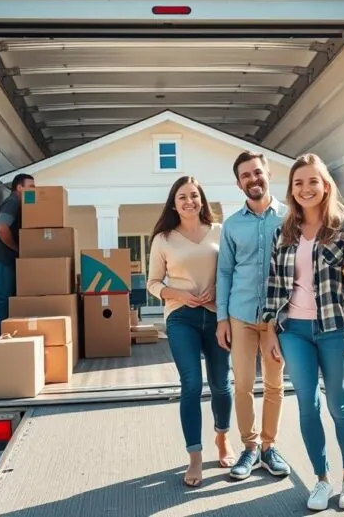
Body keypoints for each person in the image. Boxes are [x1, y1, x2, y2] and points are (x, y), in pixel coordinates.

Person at [261, 153, 344, 512]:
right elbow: (275, 285)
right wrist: (270, 330)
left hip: (335, 328)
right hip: (293, 330)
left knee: (340, 406)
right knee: (307, 406)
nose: (306, 188)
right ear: (291, 190)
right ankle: (321, 480)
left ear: (325, 186)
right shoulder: (284, 231)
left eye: (313, 181)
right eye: (298, 183)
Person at [146, 175, 234, 488]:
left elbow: (232, 271)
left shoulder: (221, 232)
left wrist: (217, 293)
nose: (189, 202)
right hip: (181, 317)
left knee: (222, 385)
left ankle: (222, 437)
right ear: (174, 202)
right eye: (182, 197)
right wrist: (180, 295)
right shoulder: (163, 239)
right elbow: (153, 283)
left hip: (217, 316)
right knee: (192, 384)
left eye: (194, 196)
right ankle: (195, 456)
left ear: (202, 200)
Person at [215, 150, 291, 480]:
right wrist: (221, 318)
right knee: (243, 383)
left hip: (280, 319)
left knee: (274, 384)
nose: (252, 179)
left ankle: (269, 447)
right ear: (238, 183)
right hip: (240, 315)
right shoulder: (231, 226)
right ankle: (249, 448)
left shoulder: (290, 218)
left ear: (268, 174)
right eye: (245, 175)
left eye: (257, 172)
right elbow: (224, 273)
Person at [0, 173, 35, 335]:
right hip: (0, 260)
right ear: (19, 188)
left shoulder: (19, 205)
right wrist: (16, 249)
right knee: (3, 302)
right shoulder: (12, 203)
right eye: (31, 187)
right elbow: (1, 228)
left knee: (5, 301)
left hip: (1, 260)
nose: (35, 190)